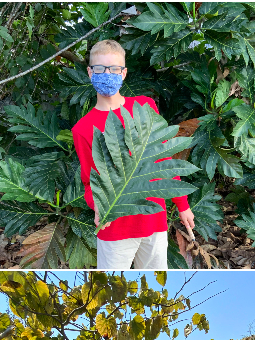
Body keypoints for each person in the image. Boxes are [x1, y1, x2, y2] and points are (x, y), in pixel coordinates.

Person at [72, 39, 195, 269]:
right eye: (100, 69)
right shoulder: (83, 129)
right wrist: (97, 206)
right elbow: (90, 183)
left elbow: (163, 160)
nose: (107, 74)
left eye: (114, 69)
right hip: (115, 227)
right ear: (90, 73)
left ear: (124, 73)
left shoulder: (145, 107)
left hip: (153, 221)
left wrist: (182, 204)